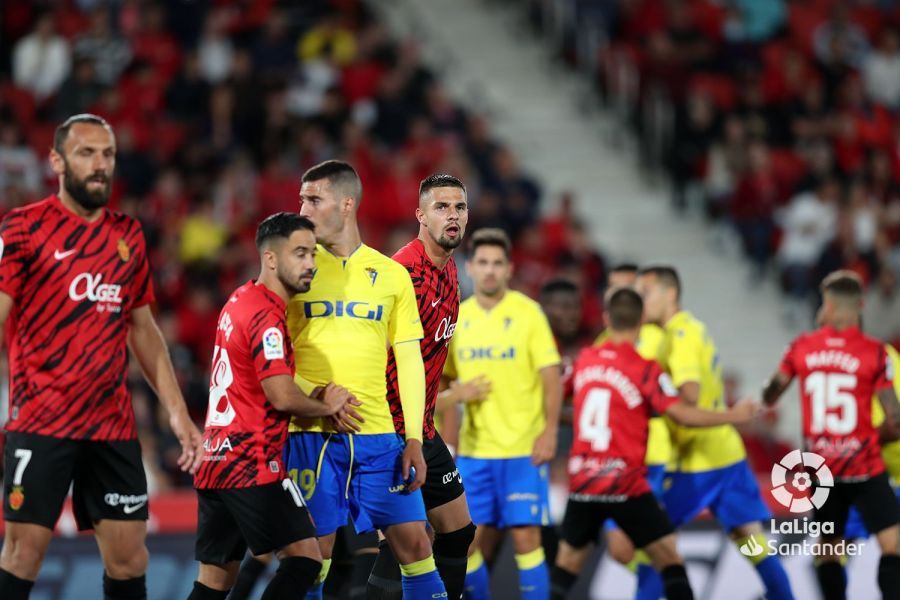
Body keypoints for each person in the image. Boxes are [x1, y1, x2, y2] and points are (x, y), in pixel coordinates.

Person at [0, 113, 202, 600]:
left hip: (111, 425)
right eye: (86, 153)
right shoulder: (24, 228)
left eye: (107, 155)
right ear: (57, 161)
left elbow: (144, 331)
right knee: (23, 553)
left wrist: (178, 414)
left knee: (131, 557)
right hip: (41, 420)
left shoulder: (127, 235)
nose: (99, 165)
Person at [284, 160, 446, 599]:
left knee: (415, 544)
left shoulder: (391, 275)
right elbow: (268, 351)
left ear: (346, 203)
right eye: (301, 199)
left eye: (313, 199)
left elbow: (409, 359)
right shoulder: (292, 270)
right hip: (311, 435)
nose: (303, 209)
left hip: (378, 437)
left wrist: (413, 437)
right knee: (310, 557)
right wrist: (308, 397)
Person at [189, 213, 362, 600]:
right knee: (305, 560)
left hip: (215, 460)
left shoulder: (239, 299)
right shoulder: (267, 316)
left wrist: (311, 402)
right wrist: (325, 405)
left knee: (214, 583)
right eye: (300, 253)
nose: (311, 264)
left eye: (313, 254)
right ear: (270, 259)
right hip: (252, 462)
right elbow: (281, 395)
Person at [550, 287, 760, 600]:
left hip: (584, 484)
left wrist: (563, 422)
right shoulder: (646, 369)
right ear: (642, 322)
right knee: (670, 560)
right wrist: (733, 415)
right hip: (627, 486)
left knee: (566, 566)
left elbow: (552, 399)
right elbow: (682, 415)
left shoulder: (584, 361)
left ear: (607, 319)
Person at [635, 266, 793, 600]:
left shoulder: (679, 337)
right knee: (750, 542)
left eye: (646, 292)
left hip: (696, 465)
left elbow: (688, 397)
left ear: (670, 294)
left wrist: (656, 398)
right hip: (728, 459)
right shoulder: (692, 328)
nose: (640, 300)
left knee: (656, 542)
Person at [365, 174, 476, 600]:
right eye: (442, 207)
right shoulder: (401, 275)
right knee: (404, 544)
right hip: (389, 429)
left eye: (460, 208)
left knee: (458, 532)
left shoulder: (449, 272)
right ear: (420, 215)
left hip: (422, 428)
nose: (453, 216)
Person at [762, 271, 900, 600]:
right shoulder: (877, 353)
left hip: (823, 470)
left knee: (828, 549)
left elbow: (770, 395)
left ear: (831, 306)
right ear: (861, 306)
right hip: (867, 466)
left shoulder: (800, 348)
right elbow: (895, 418)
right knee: (891, 545)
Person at [444, 228, 563, 600]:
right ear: (471, 268)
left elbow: (551, 377)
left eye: (497, 263)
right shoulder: (457, 319)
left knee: (527, 538)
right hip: (476, 453)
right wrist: (451, 439)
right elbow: (443, 384)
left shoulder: (529, 314)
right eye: (483, 262)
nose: (490, 270)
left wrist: (549, 433)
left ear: (509, 269)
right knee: (469, 544)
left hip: (522, 450)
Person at [594, 264, 671, 589]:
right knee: (621, 549)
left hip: (650, 456)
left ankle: (663, 582)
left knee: (638, 544)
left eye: (626, 289)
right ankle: (668, 581)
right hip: (613, 461)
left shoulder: (656, 338)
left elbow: (673, 397)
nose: (618, 295)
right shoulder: (600, 342)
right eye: (612, 289)